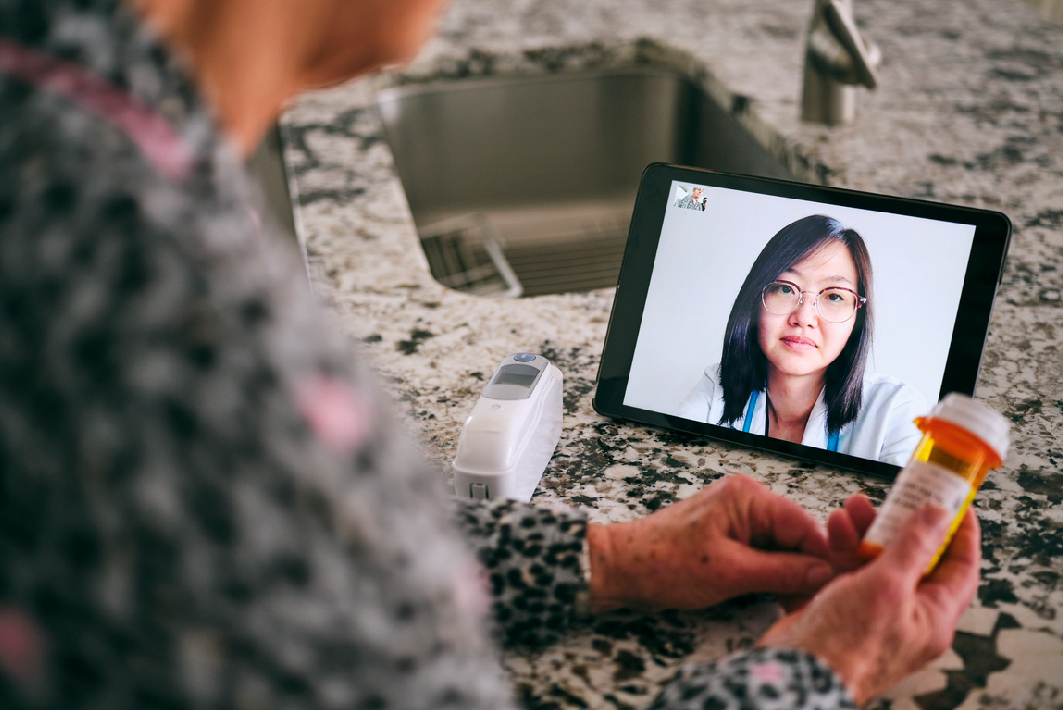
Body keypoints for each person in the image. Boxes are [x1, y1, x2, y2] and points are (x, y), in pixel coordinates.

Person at [0, 1, 979, 708]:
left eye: (836, 295)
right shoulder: (167, 330)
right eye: (784, 284)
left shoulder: (54, 117)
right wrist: (818, 674)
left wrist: (604, 555)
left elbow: (231, 557)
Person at [677, 215, 927, 466]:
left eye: (834, 296)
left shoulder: (896, 411)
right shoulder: (717, 388)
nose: (804, 317)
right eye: (785, 288)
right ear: (755, 301)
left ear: (856, 317)